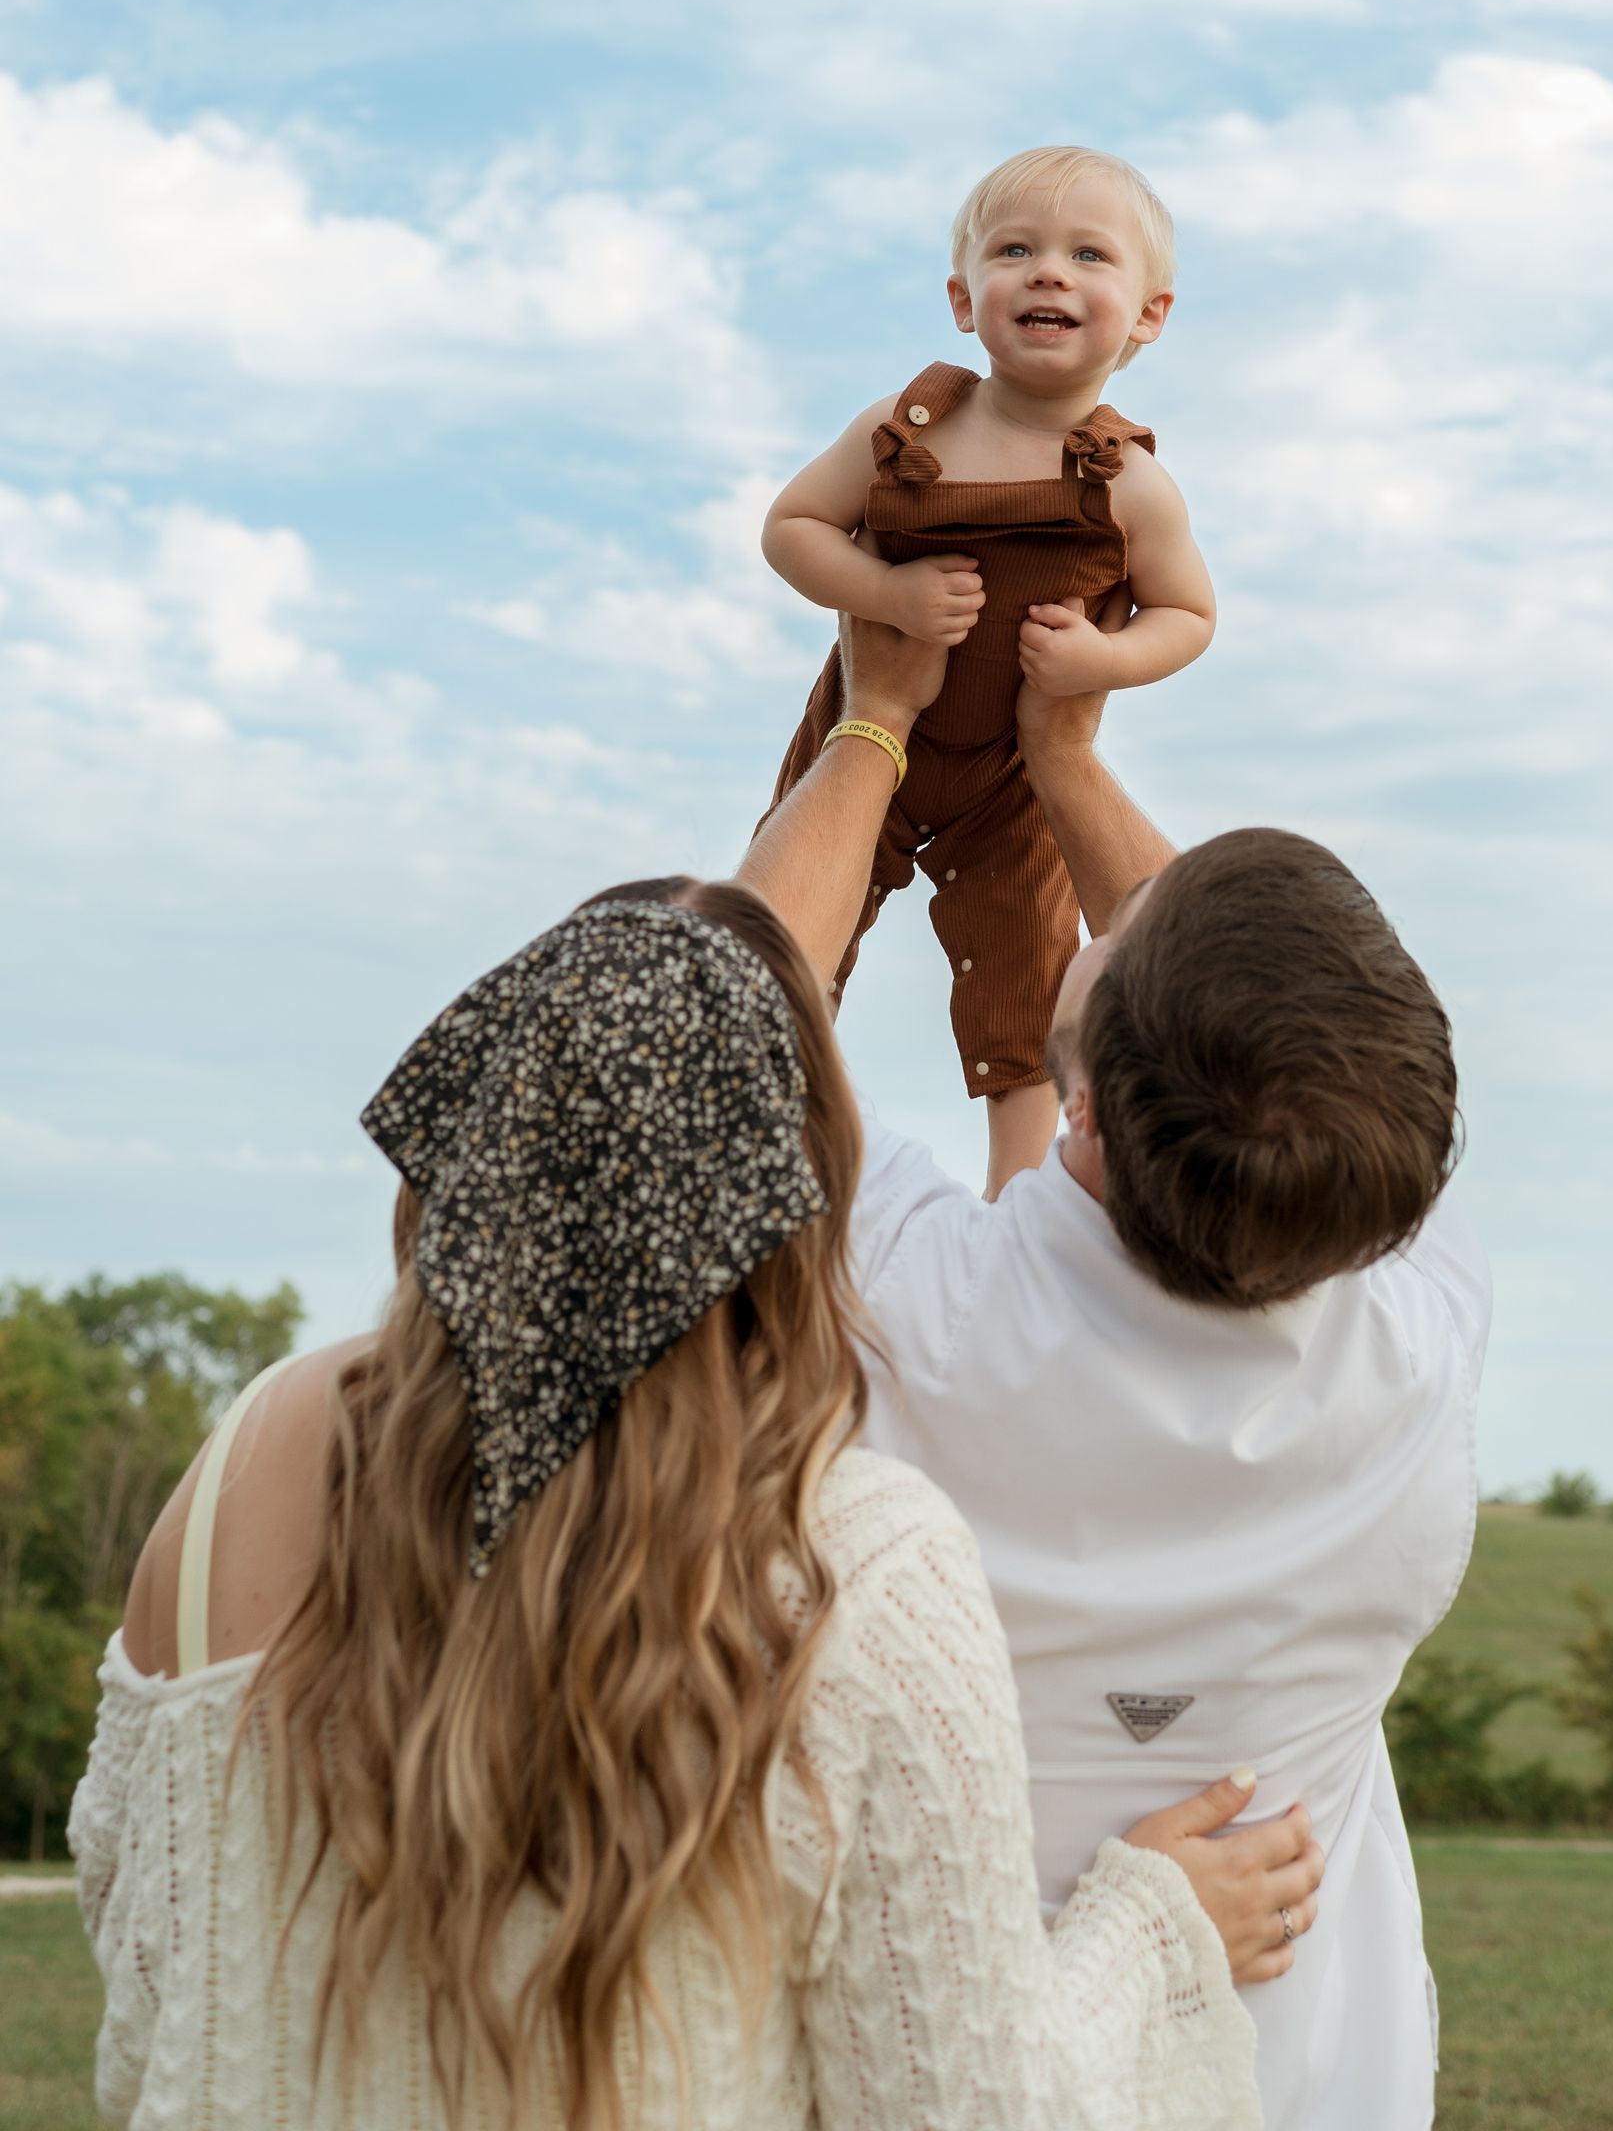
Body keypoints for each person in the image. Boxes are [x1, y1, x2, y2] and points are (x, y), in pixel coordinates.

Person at [70, 852, 1325, 2129]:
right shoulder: (854, 1563)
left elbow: (159, 2004)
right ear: (801, 1188)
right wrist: (1155, 1929)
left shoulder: (231, 1476)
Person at [738, 613, 1493, 2131]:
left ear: (1080, 1121)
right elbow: (1265, 1042)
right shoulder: (1420, 1350)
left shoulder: (906, 1309)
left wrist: (878, 720)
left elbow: (736, 1006)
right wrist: (1064, 756)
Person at [761, 144, 1216, 1194]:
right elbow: (792, 528)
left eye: (1088, 255)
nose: (1049, 271)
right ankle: (785, 1136)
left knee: (1026, 972)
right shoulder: (902, 432)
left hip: (1015, 771)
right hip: (867, 730)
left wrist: (1106, 655)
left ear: (1147, 315)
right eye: (1016, 250)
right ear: (967, 300)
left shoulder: (1132, 484)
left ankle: (1020, 1189)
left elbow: (1188, 614)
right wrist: (883, 597)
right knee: (797, 930)